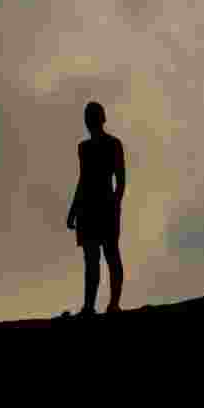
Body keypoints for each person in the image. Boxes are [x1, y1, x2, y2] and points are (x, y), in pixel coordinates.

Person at [67, 102, 126, 316]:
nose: (89, 119)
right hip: (87, 208)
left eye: (92, 115)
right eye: (87, 115)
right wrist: (73, 209)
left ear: (101, 118)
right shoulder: (83, 147)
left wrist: (116, 205)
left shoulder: (113, 144)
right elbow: (83, 179)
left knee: (111, 254)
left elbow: (120, 179)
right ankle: (89, 306)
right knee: (91, 259)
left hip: (106, 205)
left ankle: (114, 304)